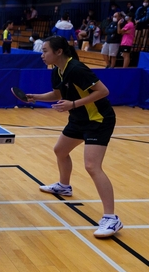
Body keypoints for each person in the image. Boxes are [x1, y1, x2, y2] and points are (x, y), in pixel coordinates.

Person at [23, 35, 121, 239]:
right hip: (79, 118)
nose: (42, 55)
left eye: (45, 51)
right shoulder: (57, 71)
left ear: (58, 52)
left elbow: (103, 91)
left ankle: (111, 218)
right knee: (60, 150)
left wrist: (73, 104)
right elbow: (58, 95)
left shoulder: (76, 69)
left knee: (92, 166)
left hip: (98, 119)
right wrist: (36, 97)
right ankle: (64, 186)